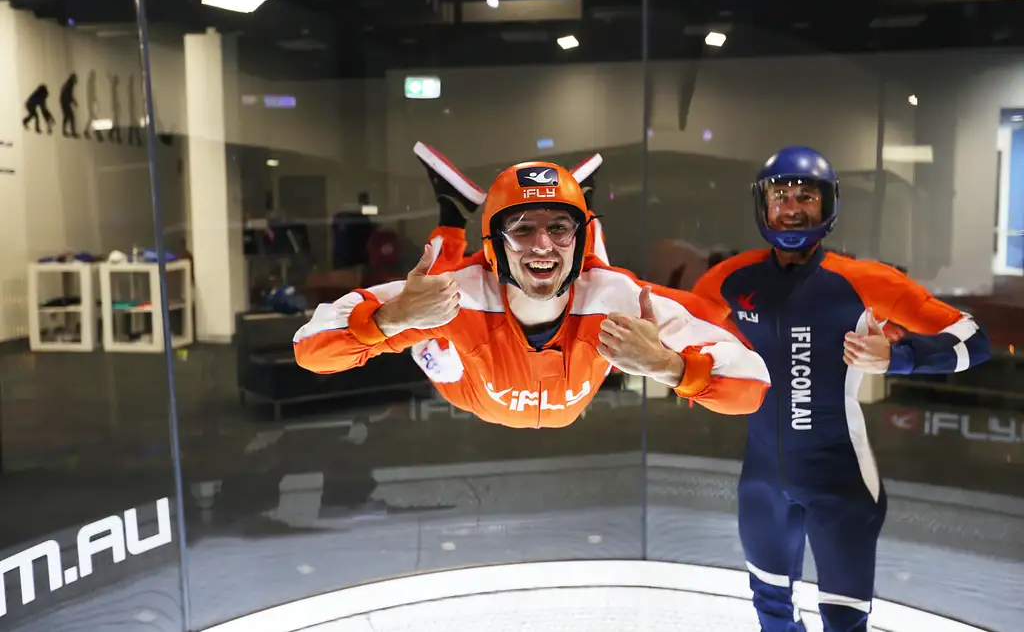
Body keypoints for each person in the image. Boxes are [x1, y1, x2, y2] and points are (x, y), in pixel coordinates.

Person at [691, 146, 991, 632]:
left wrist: (901, 358)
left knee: (844, 622)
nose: (791, 207)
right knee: (771, 611)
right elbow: (675, 329)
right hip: (762, 483)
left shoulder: (863, 280)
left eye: (805, 195)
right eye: (780, 195)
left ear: (828, 204)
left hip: (841, 483)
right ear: (762, 206)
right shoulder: (729, 278)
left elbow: (975, 340)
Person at [294, 143, 771, 428]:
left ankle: (562, 211)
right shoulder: (459, 294)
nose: (541, 244)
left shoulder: (622, 299)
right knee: (433, 319)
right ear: (495, 245)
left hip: (579, 344)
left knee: (599, 281)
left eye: (559, 227)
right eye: (522, 229)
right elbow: (309, 350)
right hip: (470, 387)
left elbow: (753, 385)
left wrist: (666, 365)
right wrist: (390, 317)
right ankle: (455, 219)